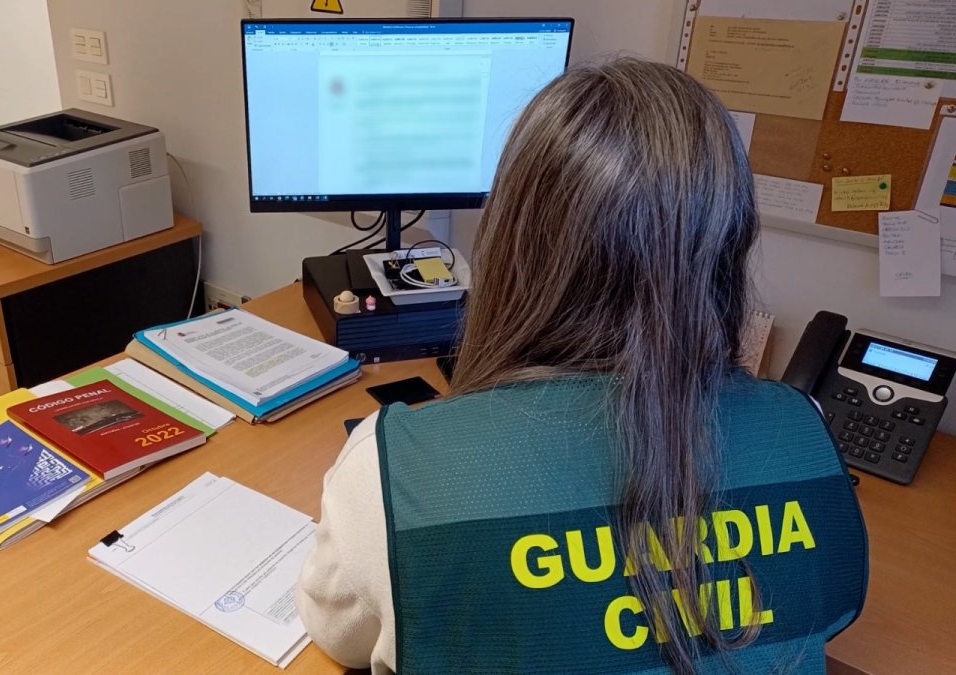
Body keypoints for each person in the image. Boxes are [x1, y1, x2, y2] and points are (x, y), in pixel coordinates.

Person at [295, 58, 867, 674]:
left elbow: (338, 634)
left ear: (513, 242)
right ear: (727, 244)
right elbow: (833, 608)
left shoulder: (389, 470)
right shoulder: (805, 430)